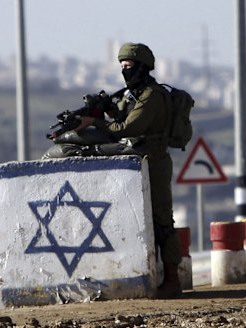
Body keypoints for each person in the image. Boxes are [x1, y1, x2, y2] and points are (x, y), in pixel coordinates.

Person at [75, 42, 182, 299]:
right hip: (136, 160)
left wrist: (95, 122)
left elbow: (127, 128)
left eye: (129, 66)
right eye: (122, 66)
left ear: (143, 67)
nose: (125, 71)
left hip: (154, 160)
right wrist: (105, 109)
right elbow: (121, 118)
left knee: (162, 219)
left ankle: (172, 278)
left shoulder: (152, 95)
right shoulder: (133, 94)